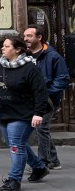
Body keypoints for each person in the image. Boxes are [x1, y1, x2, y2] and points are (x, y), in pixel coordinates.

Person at [0, 36, 49, 191]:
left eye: (6, 46)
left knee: (16, 145)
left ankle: (14, 179)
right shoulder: (0, 66)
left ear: (17, 49)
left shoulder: (30, 68)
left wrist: (38, 113)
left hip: (23, 115)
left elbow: (40, 92)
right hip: (4, 114)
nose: (2, 48)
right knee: (17, 144)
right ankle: (39, 167)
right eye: (2, 46)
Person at [23, 25, 69, 170]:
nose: (26, 39)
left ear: (39, 37)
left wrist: (47, 93)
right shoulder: (26, 55)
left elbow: (63, 78)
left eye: (29, 36)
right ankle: (53, 159)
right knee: (41, 129)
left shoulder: (52, 56)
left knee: (41, 127)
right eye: (25, 36)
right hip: (32, 99)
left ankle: (42, 162)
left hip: (48, 100)